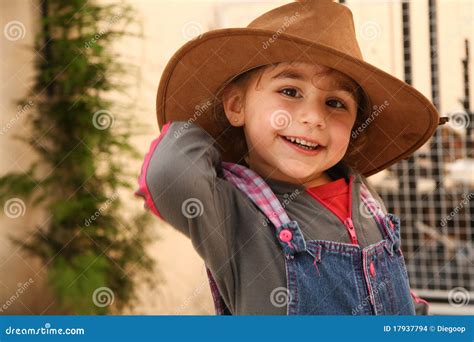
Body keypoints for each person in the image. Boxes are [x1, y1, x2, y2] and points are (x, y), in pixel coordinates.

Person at [135, 0, 440, 315]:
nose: (313, 118)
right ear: (236, 106)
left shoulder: (365, 197)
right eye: (290, 92)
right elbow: (169, 173)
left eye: (336, 103)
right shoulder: (234, 215)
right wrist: (211, 130)